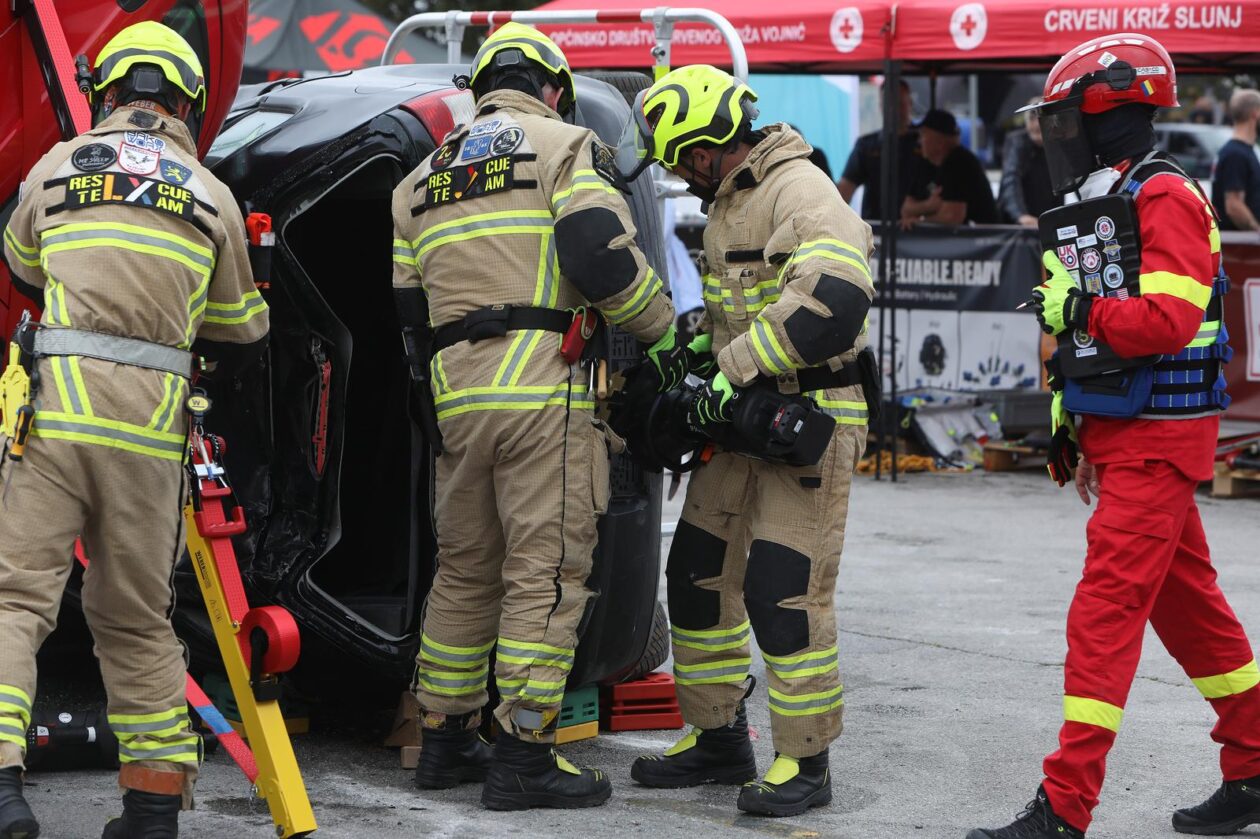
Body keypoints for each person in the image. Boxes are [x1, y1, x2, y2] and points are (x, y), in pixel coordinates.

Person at [969, 33, 1260, 839]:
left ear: (1110, 114)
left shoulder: (1164, 195)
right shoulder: (1118, 197)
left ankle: (1065, 807)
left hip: (1160, 439)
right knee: (1192, 613)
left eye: (1066, 120)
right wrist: (1074, 425)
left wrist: (1079, 311)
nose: (1055, 136)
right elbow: (1092, 341)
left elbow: (1164, 320)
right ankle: (1254, 763)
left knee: (1102, 615)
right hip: (1132, 434)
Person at [390, 23, 674, 811]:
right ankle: (523, 751)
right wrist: (662, 329)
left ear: (483, 89)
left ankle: (445, 738)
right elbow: (600, 255)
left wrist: (439, 401)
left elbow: (409, 317)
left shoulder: (417, 182)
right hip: (543, 392)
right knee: (543, 572)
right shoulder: (563, 145)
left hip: (458, 402)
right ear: (553, 88)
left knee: (464, 569)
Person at [0, 21, 268, 838]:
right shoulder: (210, 193)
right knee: (137, 615)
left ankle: (3, 790)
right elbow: (241, 326)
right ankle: (152, 806)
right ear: (187, 103)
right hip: (150, 434)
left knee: (17, 598)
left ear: (107, 93)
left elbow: (21, 263)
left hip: (55, 416)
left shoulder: (56, 166)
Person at [626, 65, 872, 818]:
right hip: (743, 416)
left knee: (782, 590)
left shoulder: (799, 189)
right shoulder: (727, 206)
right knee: (697, 573)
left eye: (682, 160)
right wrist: (695, 354)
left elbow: (835, 299)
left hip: (810, 417)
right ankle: (718, 738)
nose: (680, 175)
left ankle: (806, 761)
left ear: (708, 147)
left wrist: (729, 372)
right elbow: (740, 311)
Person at [839, 80, 930, 219]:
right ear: (880, 105)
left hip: (916, 227)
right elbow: (845, 191)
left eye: (899, 103)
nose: (893, 110)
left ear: (910, 103)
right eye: (888, 104)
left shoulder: (925, 144)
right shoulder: (866, 146)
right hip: (875, 226)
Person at [901, 109, 998, 227]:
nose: (919, 141)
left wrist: (919, 222)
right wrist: (929, 205)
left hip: (980, 237)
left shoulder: (960, 162)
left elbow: (952, 216)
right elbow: (906, 209)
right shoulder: (925, 163)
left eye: (923, 135)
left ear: (939, 141)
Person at [998, 99, 1059, 226]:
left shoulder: (1058, 144)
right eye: (1032, 118)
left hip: (1049, 219)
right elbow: (1011, 179)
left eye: (1041, 118)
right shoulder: (1018, 142)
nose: (1036, 124)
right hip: (1018, 224)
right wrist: (1020, 215)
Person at [1211, 88, 1260, 232]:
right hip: (1239, 242)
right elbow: (1234, 206)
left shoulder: (1241, 150)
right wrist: (1256, 230)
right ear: (1255, 113)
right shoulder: (1235, 154)